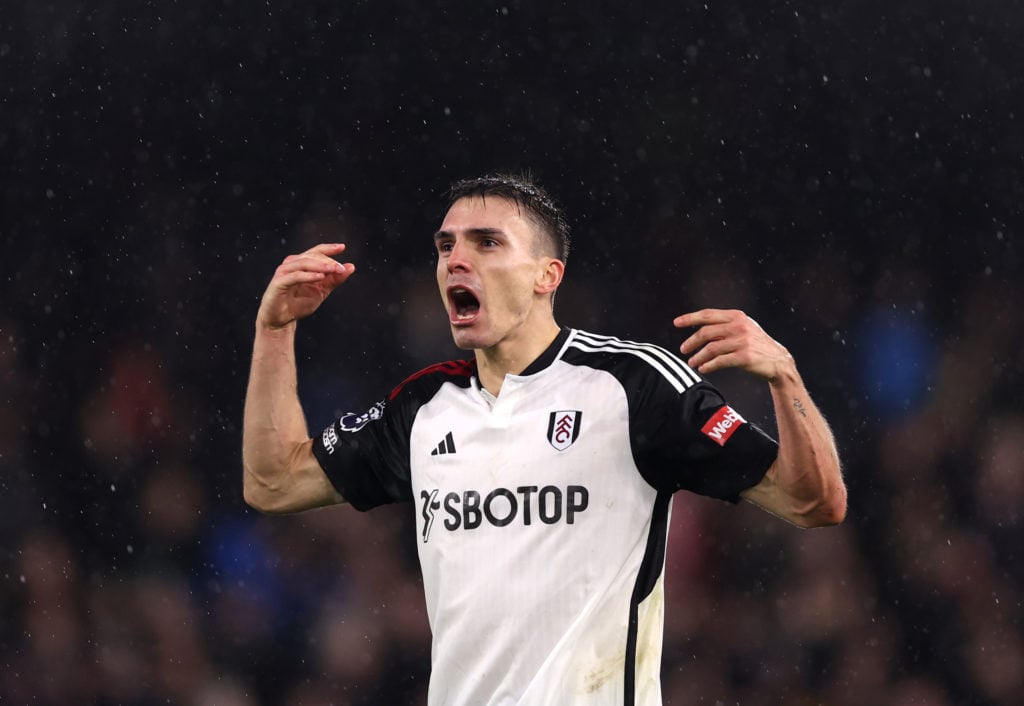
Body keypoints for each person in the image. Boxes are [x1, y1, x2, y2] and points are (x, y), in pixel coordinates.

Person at [242, 173, 846, 705]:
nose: (456, 259)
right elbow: (272, 484)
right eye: (445, 245)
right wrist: (275, 330)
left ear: (546, 275)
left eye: (487, 242)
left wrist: (784, 375)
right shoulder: (423, 408)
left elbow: (814, 501)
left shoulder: (632, 385)